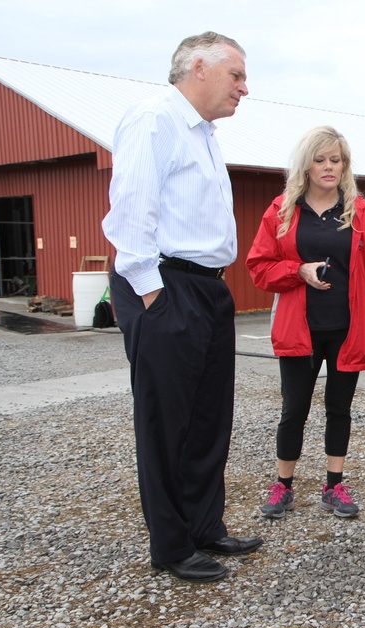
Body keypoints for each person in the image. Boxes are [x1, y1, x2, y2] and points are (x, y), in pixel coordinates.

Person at [102, 32, 262, 583]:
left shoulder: (205, 133)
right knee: (166, 420)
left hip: (207, 287)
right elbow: (132, 209)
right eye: (236, 75)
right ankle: (171, 545)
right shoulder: (156, 119)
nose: (245, 87)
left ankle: (203, 525)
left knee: (208, 417)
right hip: (166, 284)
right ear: (198, 67)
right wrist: (151, 292)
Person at [246, 126, 365, 522]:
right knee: (294, 409)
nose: (328, 167)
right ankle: (283, 485)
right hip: (298, 328)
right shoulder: (281, 211)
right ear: (306, 165)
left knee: (339, 408)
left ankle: (333, 483)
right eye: (320, 159)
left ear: (345, 165)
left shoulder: (361, 212)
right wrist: (297, 269)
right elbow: (258, 267)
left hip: (346, 329)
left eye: (335, 160)